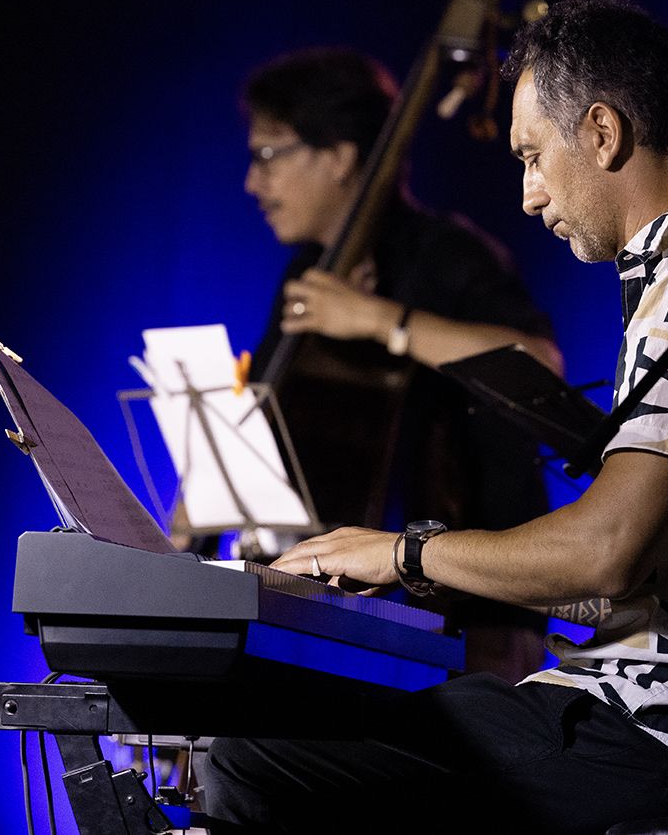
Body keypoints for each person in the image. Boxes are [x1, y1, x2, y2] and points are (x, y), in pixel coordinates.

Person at [201, 0, 668, 833]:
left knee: (253, 753)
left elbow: (604, 552)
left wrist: (405, 552)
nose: (528, 196)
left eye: (533, 157)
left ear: (602, 132)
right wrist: (437, 576)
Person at [232, 45, 561, 682]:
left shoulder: (446, 254)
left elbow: (538, 366)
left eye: (268, 155)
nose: (254, 182)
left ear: (339, 157)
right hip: (356, 612)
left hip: (477, 614)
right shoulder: (305, 274)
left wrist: (384, 322)